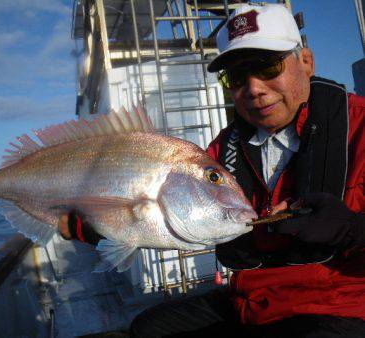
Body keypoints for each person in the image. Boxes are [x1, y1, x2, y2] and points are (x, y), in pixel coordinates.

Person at [61, 3, 365, 337]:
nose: (253, 89)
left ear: (306, 61)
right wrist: (83, 224)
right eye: (236, 76)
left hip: (342, 306)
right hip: (249, 301)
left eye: (267, 66)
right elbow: (163, 214)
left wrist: (352, 228)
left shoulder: (360, 126)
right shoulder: (220, 150)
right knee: (147, 329)